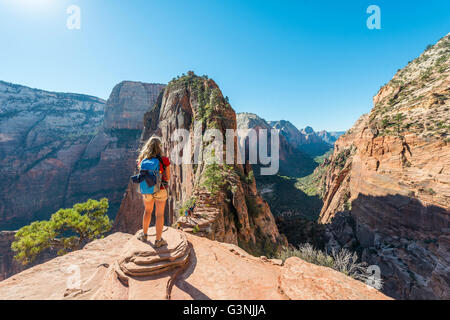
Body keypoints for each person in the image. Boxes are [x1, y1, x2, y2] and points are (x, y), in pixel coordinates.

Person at [136, 136, 171, 247]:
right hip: (160, 189)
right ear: (159, 147)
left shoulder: (142, 160)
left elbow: (142, 175)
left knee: (147, 211)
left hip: (147, 190)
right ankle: (158, 240)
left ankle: (144, 235)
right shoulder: (164, 160)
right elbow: (168, 177)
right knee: (159, 214)